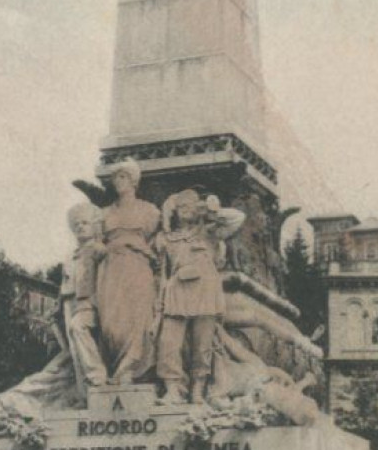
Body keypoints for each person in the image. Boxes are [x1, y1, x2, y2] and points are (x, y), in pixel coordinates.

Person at [156, 189, 244, 404]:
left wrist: (213, 211)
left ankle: (198, 388)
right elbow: (162, 273)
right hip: (176, 291)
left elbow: (238, 219)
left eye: (191, 206)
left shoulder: (209, 231)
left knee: (203, 345)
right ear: (174, 211)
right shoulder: (166, 238)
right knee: (168, 343)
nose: (186, 210)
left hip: (205, 290)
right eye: (181, 207)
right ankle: (173, 389)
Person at [96, 159, 161, 382]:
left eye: (122, 177)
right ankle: (115, 364)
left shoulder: (150, 211)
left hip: (137, 266)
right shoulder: (104, 214)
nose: (118, 182)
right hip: (111, 269)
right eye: (115, 178)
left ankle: (131, 369)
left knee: (137, 317)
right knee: (111, 322)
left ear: (133, 180)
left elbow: (154, 242)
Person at [61, 202, 108, 399]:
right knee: (73, 349)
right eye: (76, 224)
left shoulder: (99, 249)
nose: (80, 227)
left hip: (92, 302)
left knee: (78, 327)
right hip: (71, 303)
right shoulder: (70, 257)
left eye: (85, 223)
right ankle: (85, 394)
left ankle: (97, 375)